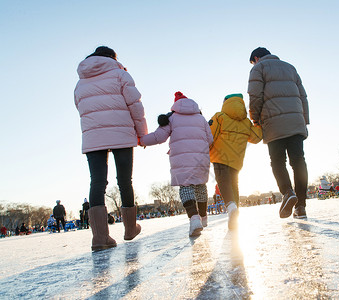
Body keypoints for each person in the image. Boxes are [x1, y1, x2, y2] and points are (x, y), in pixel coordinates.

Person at [74, 46, 148, 251]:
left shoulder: (80, 82)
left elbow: (80, 107)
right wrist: (141, 134)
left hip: (93, 136)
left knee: (97, 182)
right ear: (113, 58)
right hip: (121, 133)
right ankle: (130, 228)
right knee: (125, 180)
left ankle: (100, 237)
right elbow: (135, 105)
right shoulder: (120, 74)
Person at [247, 47, 309, 219]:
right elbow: (303, 96)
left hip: (273, 122)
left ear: (256, 58)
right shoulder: (290, 67)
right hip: (296, 121)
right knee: (298, 161)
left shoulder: (258, 69)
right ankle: (301, 206)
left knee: (277, 161)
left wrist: (255, 119)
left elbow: (255, 95)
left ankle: (287, 192)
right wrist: (305, 120)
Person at [140, 92, 213, 237]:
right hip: (201, 160)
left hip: (181, 161)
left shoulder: (172, 118)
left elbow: (158, 137)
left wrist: (141, 140)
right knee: (200, 186)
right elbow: (209, 139)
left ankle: (194, 218)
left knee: (186, 188)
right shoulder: (201, 118)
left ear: (175, 105)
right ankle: (203, 217)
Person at [209, 93, 262, 229]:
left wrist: (205, 151)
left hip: (219, 156)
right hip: (237, 160)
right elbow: (256, 138)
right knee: (234, 184)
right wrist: (258, 124)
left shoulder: (219, 117)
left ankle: (231, 207)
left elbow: (210, 135)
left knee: (223, 182)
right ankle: (235, 211)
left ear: (225, 103)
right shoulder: (246, 122)